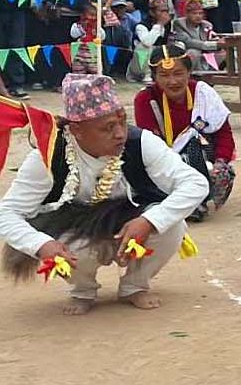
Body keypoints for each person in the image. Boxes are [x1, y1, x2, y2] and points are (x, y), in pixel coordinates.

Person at [0, 74, 211, 314]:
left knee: (172, 226)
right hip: (74, 225)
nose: (120, 133)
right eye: (108, 127)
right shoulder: (46, 156)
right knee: (68, 245)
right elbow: (7, 212)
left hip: (133, 216)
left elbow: (196, 183)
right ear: (77, 130)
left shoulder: (140, 142)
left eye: (122, 121)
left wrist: (150, 221)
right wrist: (42, 244)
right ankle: (82, 290)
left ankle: (135, 285)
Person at [133, 43, 236, 220]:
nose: (172, 81)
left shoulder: (203, 93)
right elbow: (148, 144)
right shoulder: (145, 99)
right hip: (162, 161)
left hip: (202, 157)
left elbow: (223, 133)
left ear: (189, 73)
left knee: (197, 150)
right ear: (154, 77)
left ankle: (197, 199)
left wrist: (220, 162)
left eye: (178, 73)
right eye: (164, 75)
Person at [168, 0, 221, 71]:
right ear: (187, 14)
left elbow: (212, 37)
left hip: (205, 53)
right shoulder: (179, 23)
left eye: (200, 13)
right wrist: (214, 45)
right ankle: (191, 75)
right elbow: (188, 42)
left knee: (225, 52)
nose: (198, 16)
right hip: (186, 52)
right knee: (193, 52)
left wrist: (218, 42)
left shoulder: (207, 25)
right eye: (194, 13)